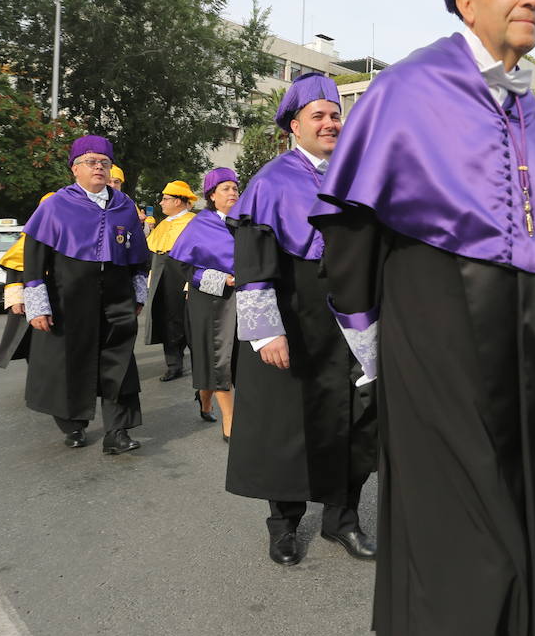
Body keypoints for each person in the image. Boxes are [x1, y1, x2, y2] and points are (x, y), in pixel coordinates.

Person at [312, 0, 535, 636]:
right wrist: (368, 337)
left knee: (512, 523)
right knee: (466, 536)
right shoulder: (410, 85)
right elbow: (353, 225)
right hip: (437, 327)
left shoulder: (528, 103)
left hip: (521, 343)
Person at [226, 72, 377, 567]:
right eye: (320, 116)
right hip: (294, 322)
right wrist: (266, 330)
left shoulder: (359, 175)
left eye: (336, 115)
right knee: (287, 425)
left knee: (353, 424)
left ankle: (343, 520)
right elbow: (252, 264)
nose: (331, 123)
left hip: (353, 326)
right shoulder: (270, 181)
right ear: (295, 125)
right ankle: (284, 525)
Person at [21, 135, 149, 454]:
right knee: (69, 360)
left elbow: (138, 256)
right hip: (69, 298)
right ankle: (73, 423)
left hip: (117, 296)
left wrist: (138, 294)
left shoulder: (124, 206)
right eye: (91, 162)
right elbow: (34, 259)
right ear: (74, 169)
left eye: (104, 163)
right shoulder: (55, 205)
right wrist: (36, 305)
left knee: (119, 360)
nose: (99, 168)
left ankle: (117, 431)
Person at [168, 168, 241, 436]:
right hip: (210, 300)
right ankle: (229, 419)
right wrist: (222, 280)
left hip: (243, 298)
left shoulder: (244, 221)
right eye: (226, 188)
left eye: (235, 188)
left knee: (233, 358)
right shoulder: (199, 225)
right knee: (217, 355)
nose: (232, 192)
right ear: (212, 195)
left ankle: (205, 395)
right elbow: (184, 267)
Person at [0, 192, 56, 370]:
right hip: (32, 296)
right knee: (32, 342)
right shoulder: (32, 233)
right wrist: (16, 297)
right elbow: (14, 265)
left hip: (60, 294)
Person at [144, 180, 197, 382]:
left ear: (178, 201)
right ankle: (173, 364)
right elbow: (153, 252)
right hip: (162, 278)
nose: (161, 203)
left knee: (187, 320)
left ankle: (201, 363)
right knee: (165, 319)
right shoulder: (163, 224)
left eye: (166, 199)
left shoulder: (194, 222)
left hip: (182, 277)